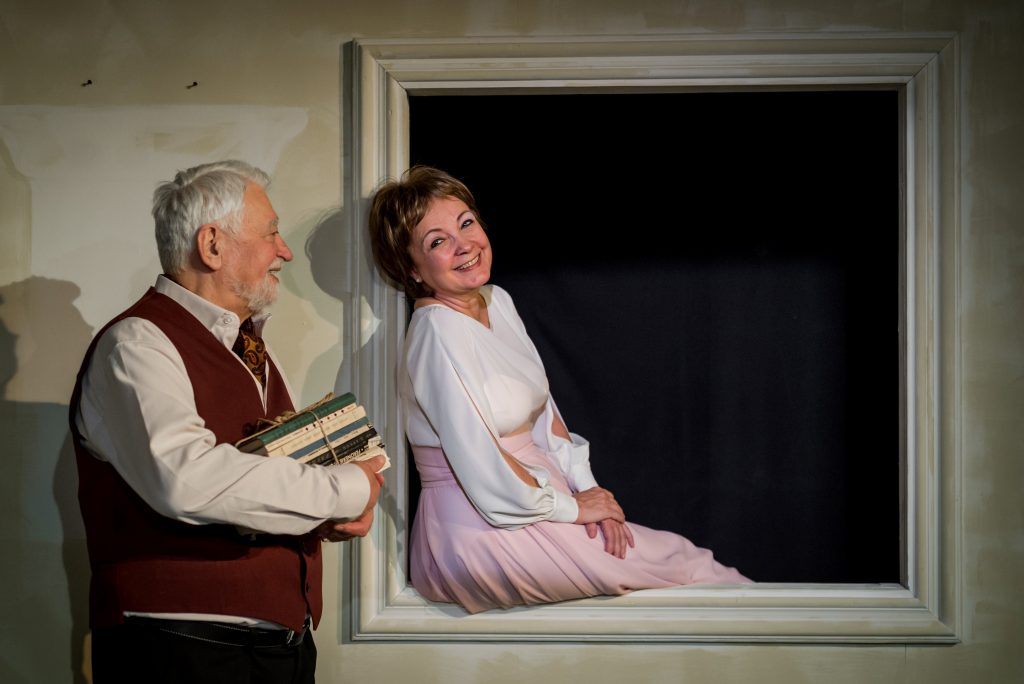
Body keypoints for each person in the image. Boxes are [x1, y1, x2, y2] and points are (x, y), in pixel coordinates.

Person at [368, 166, 750, 614]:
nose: (464, 244)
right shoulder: (436, 330)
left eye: (466, 223)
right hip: (478, 527)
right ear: (412, 269)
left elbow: (545, 416)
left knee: (683, 562)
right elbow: (479, 462)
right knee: (683, 566)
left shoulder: (498, 301)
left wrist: (593, 495)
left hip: (542, 498)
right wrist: (573, 508)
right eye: (437, 242)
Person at [70, 160, 385, 683]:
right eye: (271, 233)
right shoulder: (136, 344)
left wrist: (324, 517)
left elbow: (251, 484)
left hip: (277, 647)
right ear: (212, 245)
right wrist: (347, 489)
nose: (284, 251)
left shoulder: (252, 348)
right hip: (180, 650)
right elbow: (186, 481)